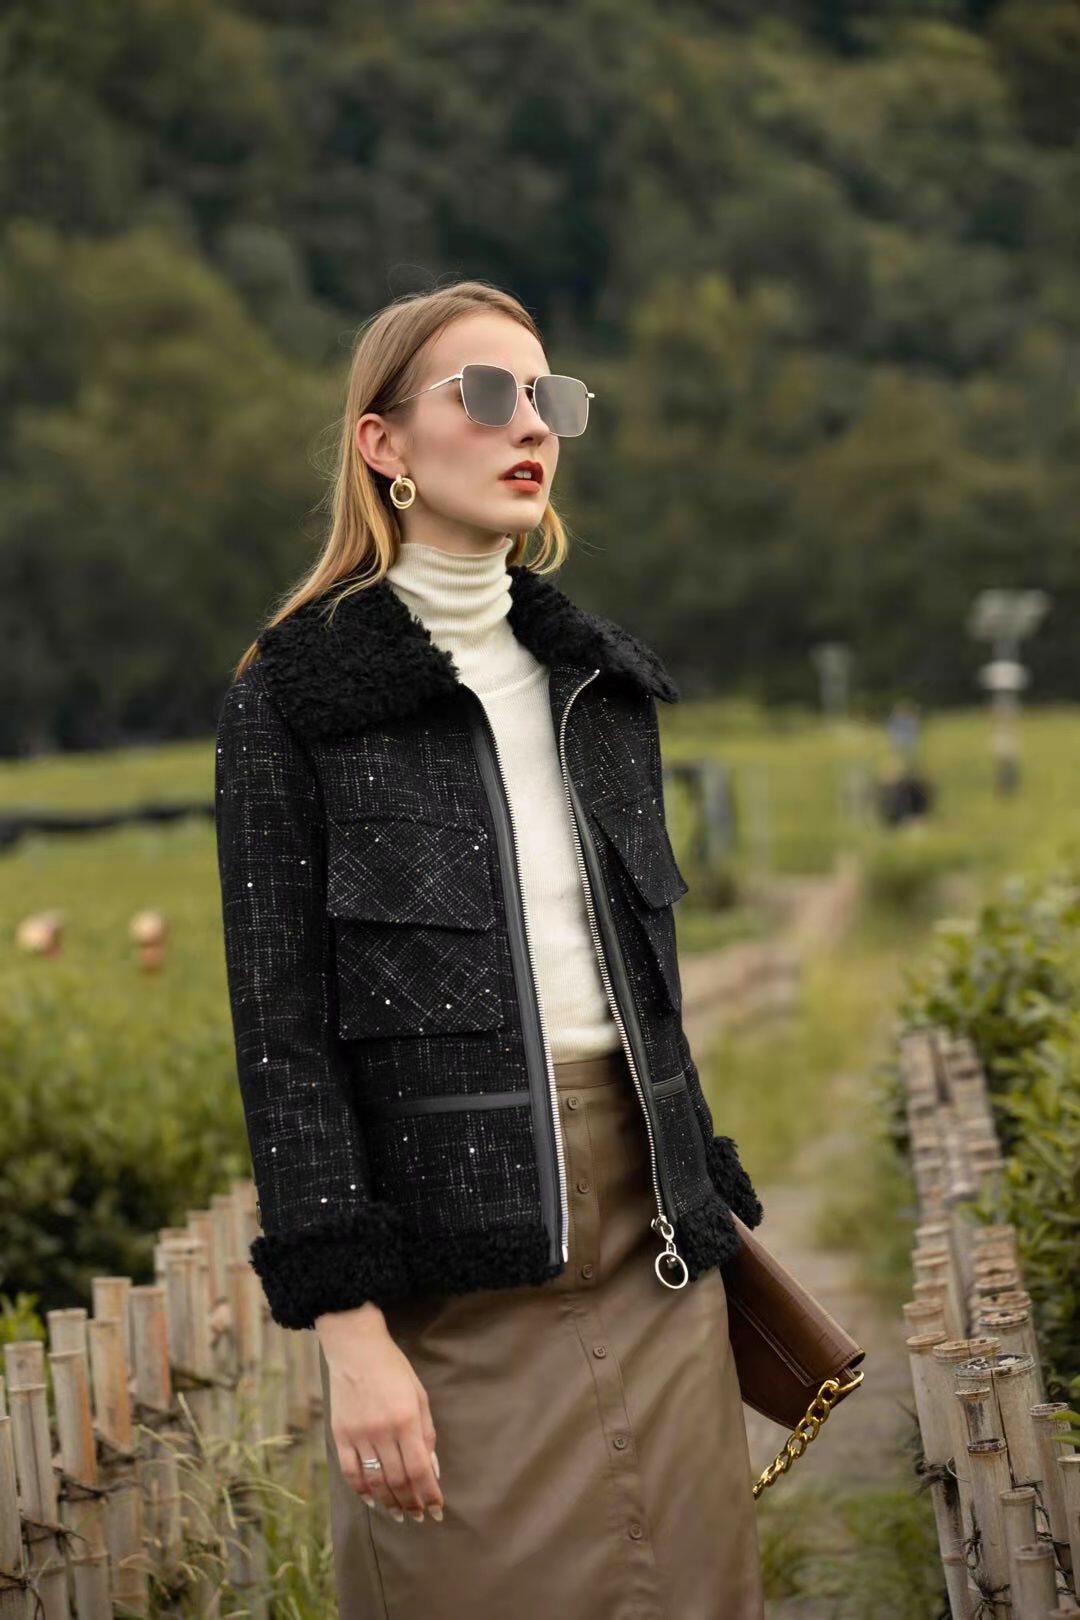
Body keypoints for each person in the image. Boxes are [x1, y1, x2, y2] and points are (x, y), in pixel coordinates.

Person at [213, 279, 766, 1618]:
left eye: (550, 398)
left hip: (656, 1263)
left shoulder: (605, 691)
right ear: (383, 444)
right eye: (484, 394)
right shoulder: (295, 701)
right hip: (448, 1293)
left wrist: (707, 1196)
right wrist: (351, 1335)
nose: (531, 425)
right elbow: (283, 1046)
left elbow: (648, 1002)